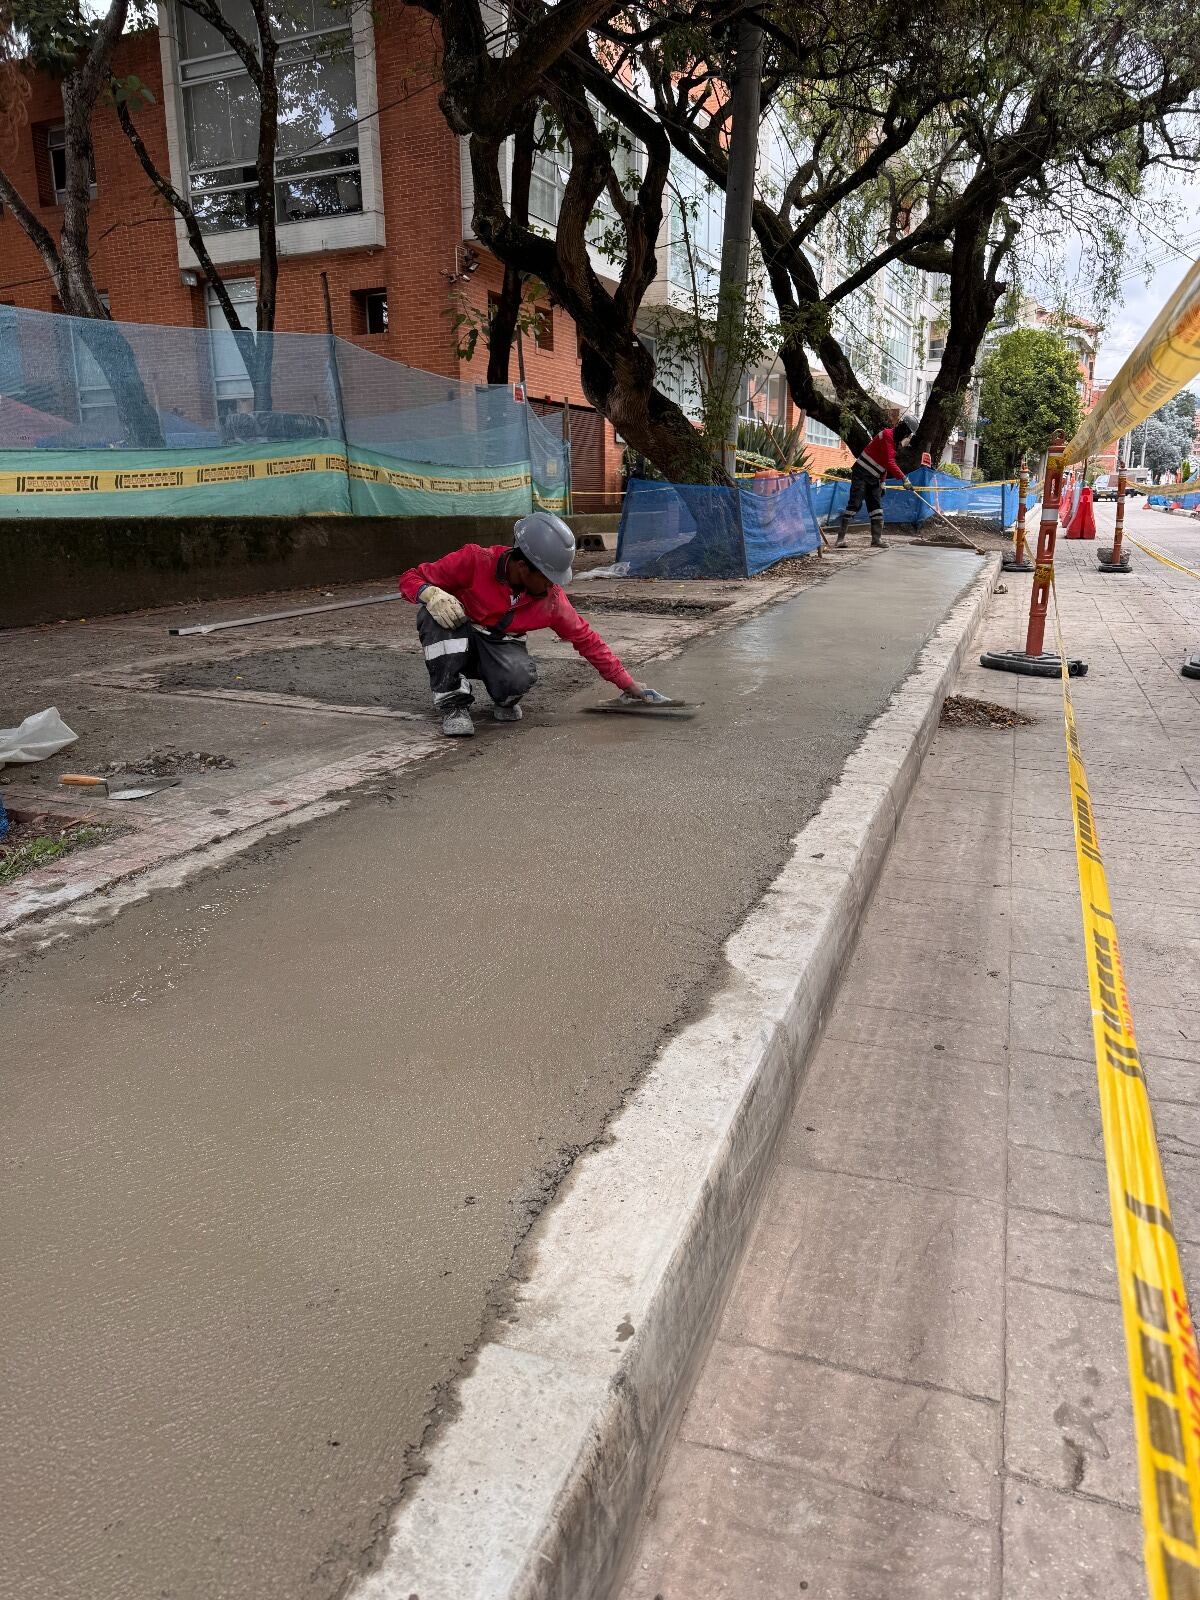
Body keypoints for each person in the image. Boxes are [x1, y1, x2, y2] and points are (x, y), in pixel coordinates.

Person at [398, 512, 653, 737]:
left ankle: (503, 698)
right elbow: (410, 578)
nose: (553, 584)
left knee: (519, 676)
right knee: (432, 615)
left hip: (498, 647)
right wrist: (428, 593)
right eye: (548, 577)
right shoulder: (475, 561)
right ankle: (453, 705)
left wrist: (627, 684)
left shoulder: (551, 600)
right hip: (460, 636)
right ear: (522, 567)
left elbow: (586, 640)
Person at [835, 413, 918, 549]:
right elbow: (889, 462)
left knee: (876, 508)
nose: (907, 437)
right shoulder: (887, 435)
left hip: (874, 478)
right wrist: (904, 479)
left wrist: (883, 482)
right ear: (903, 429)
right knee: (855, 504)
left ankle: (876, 540)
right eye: (908, 434)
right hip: (861, 473)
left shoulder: (894, 443)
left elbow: (883, 464)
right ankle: (840, 539)